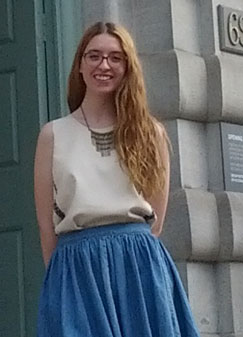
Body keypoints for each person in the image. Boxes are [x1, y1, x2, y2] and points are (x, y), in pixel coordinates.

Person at [34, 21, 201, 337]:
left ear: (128, 67)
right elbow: (46, 229)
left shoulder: (150, 134)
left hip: (138, 268)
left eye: (115, 57)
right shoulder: (53, 135)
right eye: (94, 56)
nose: (104, 65)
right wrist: (66, 282)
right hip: (76, 267)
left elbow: (156, 220)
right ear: (80, 66)